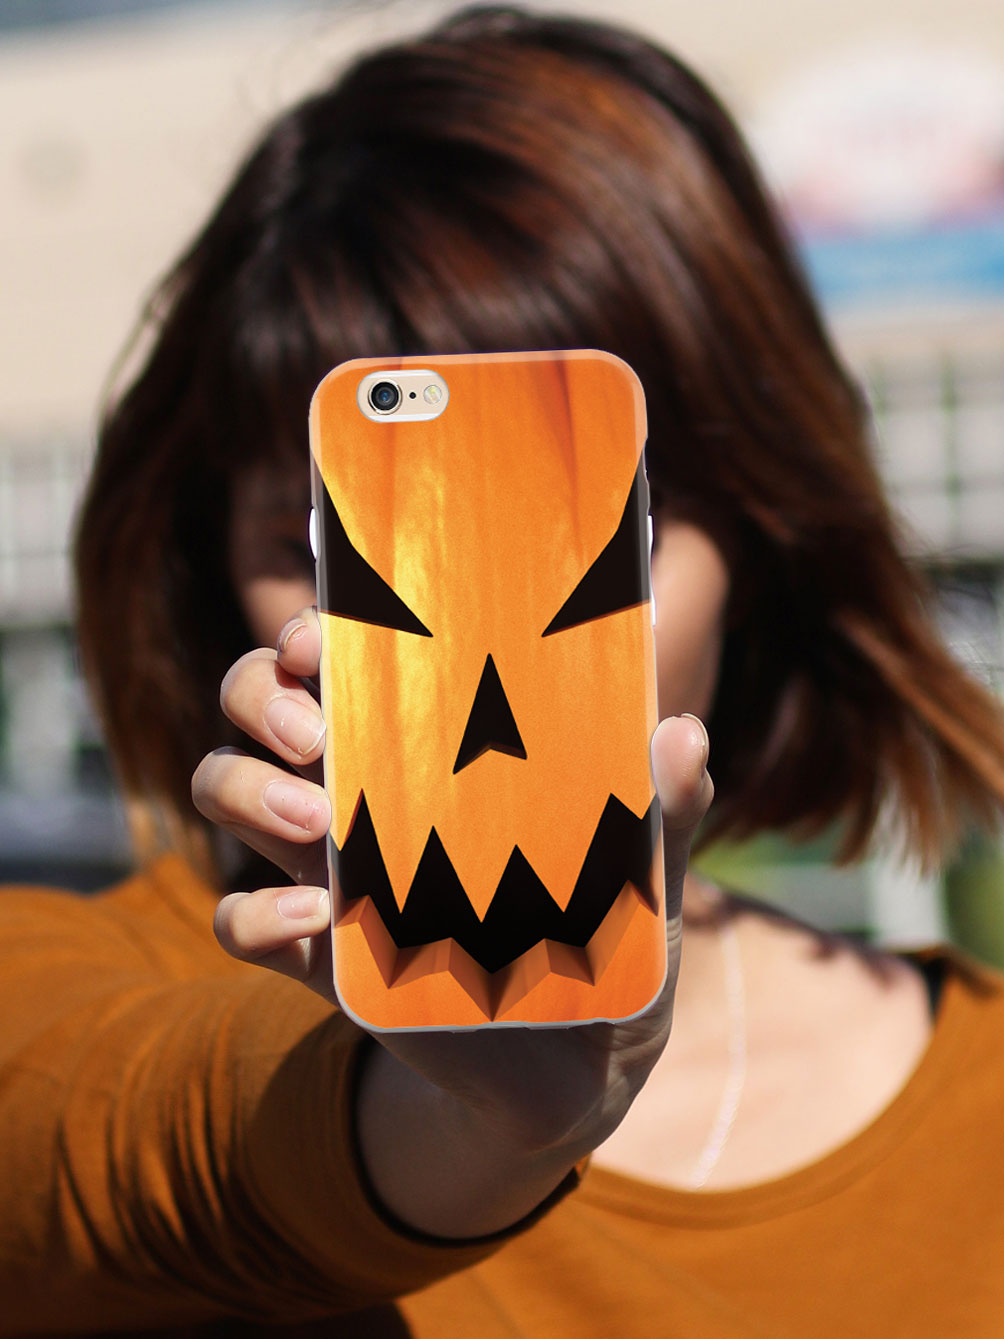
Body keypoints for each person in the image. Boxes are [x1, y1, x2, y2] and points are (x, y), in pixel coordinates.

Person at [3, 5, 1004, 1333]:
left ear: (766, 539)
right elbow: (134, 1154)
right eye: (338, 553)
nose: (480, 669)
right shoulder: (58, 985)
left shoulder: (980, 1104)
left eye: (585, 557)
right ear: (208, 567)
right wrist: (454, 1126)